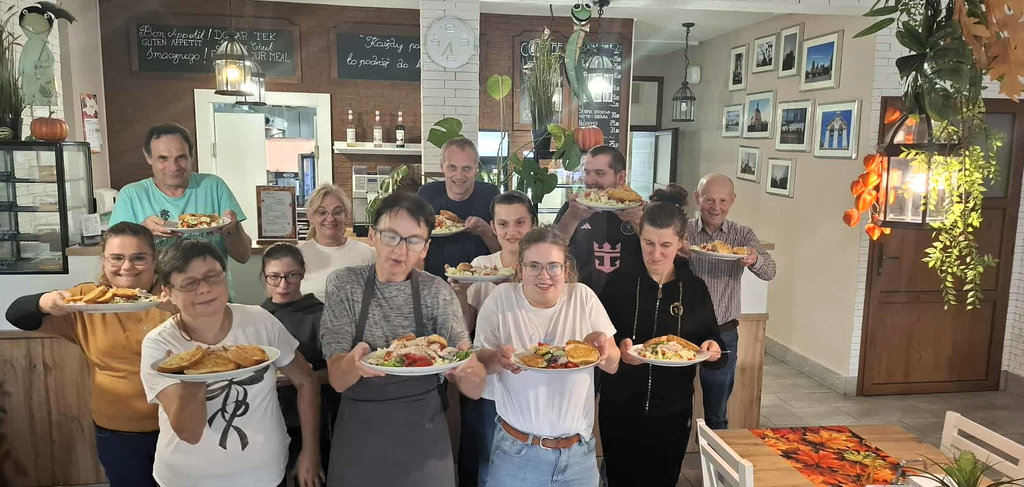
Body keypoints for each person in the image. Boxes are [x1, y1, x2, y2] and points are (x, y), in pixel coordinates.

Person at [320, 192, 487, 487]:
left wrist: (469, 369)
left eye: (413, 241)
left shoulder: (437, 292)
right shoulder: (345, 284)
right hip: (360, 441)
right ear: (372, 236)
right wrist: (354, 363)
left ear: (425, 247)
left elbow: (473, 389)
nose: (400, 250)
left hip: (424, 442)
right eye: (391, 237)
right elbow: (337, 378)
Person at [139, 240, 321, 487]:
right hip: (189, 479)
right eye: (189, 283)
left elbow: (306, 381)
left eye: (212, 276)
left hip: (265, 474)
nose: (205, 288)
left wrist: (311, 451)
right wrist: (192, 372)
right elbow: (189, 433)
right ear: (168, 293)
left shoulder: (260, 321)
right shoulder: (161, 345)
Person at [4, 222, 172, 487]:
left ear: (154, 259)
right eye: (116, 258)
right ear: (104, 260)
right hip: (119, 430)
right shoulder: (87, 300)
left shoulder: (173, 295)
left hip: (181, 425)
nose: (127, 267)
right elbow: (17, 314)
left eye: (138, 258)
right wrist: (45, 301)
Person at [598, 185, 725, 487]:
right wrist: (619, 349)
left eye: (666, 245)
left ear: (681, 242)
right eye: (648, 243)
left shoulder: (694, 289)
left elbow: (712, 342)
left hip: (673, 411)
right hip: (620, 407)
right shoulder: (618, 284)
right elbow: (599, 341)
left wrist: (714, 349)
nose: (656, 254)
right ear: (640, 237)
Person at [475, 226, 620, 487]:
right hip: (516, 454)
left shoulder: (583, 297)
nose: (544, 276)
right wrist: (497, 358)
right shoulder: (501, 299)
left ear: (566, 269)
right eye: (534, 266)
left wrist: (603, 350)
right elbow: (479, 363)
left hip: (578, 456)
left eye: (553, 266)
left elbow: (613, 364)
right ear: (520, 269)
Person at [448, 190, 537, 486]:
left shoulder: (542, 269)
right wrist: (461, 293)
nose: (512, 232)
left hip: (532, 383)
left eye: (520, 223)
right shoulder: (481, 265)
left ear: (533, 224)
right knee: (486, 462)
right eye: (503, 224)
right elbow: (466, 326)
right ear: (493, 227)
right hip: (489, 385)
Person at [109, 123, 252, 292]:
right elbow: (115, 261)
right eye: (163, 158)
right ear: (148, 157)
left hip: (210, 294)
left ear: (191, 155)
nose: (173, 167)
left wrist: (232, 229)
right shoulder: (131, 195)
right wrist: (143, 232)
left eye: (181, 157)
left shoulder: (213, 186)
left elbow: (243, 256)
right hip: (156, 298)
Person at [686, 173, 776, 430]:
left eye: (723, 201)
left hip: (724, 331)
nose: (716, 207)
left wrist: (754, 259)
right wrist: (675, 254)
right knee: (676, 404)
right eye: (709, 199)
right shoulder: (684, 231)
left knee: (717, 412)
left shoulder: (741, 235)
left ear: (733, 200)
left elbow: (770, 272)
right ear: (697, 198)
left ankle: (715, 456)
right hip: (684, 328)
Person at [260, 243, 336, 487]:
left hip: (314, 424)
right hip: (268, 423)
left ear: (303, 273)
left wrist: (302, 376)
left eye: (291, 275)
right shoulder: (258, 317)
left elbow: (338, 372)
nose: (283, 285)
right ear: (264, 276)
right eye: (274, 277)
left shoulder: (321, 315)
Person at [554, 145, 644, 295]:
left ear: (621, 177)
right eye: (587, 173)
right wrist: (572, 217)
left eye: (599, 173)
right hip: (580, 297)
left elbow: (658, 253)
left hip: (630, 298)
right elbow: (552, 249)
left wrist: (637, 221)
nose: (590, 180)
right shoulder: (573, 207)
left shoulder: (638, 209)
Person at [417, 137, 500, 278]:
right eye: (452, 167)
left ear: (476, 168)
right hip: (433, 281)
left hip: (480, 282)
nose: (459, 176)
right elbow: (413, 247)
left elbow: (504, 254)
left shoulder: (490, 196)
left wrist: (485, 231)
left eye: (466, 168)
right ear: (442, 167)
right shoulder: (427, 195)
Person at [298, 184, 375, 301]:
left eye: (337, 212)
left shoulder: (368, 254)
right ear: (311, 217)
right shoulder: (297, 256)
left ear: (346, 215)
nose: (330, 219)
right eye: (322, 212)